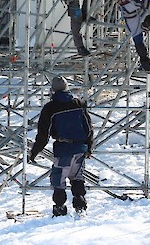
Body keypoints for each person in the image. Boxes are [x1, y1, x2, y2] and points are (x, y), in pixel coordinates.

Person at [29, 76, 93, 217]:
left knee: (58, 178)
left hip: (63, 149)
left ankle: (59, 208)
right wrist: (88, 147)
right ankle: (80, 204)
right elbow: (88, 127)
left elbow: (43, 135)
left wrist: (34, 152)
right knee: (77, 176)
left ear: (52, 90)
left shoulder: (50, 108)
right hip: (80, 148)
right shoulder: (78, 104)